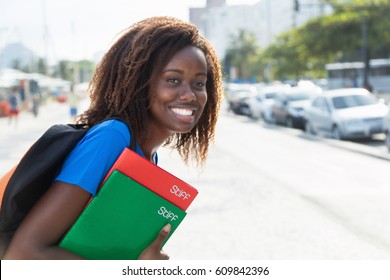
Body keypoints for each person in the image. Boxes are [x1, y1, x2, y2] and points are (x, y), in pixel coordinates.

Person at [3, 16, 223, 260]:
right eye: (173, 79)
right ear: (139, 82)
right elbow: (21, 254)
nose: (190, 94)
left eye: (199, 83)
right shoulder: (112, 138)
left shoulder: (147, 154)